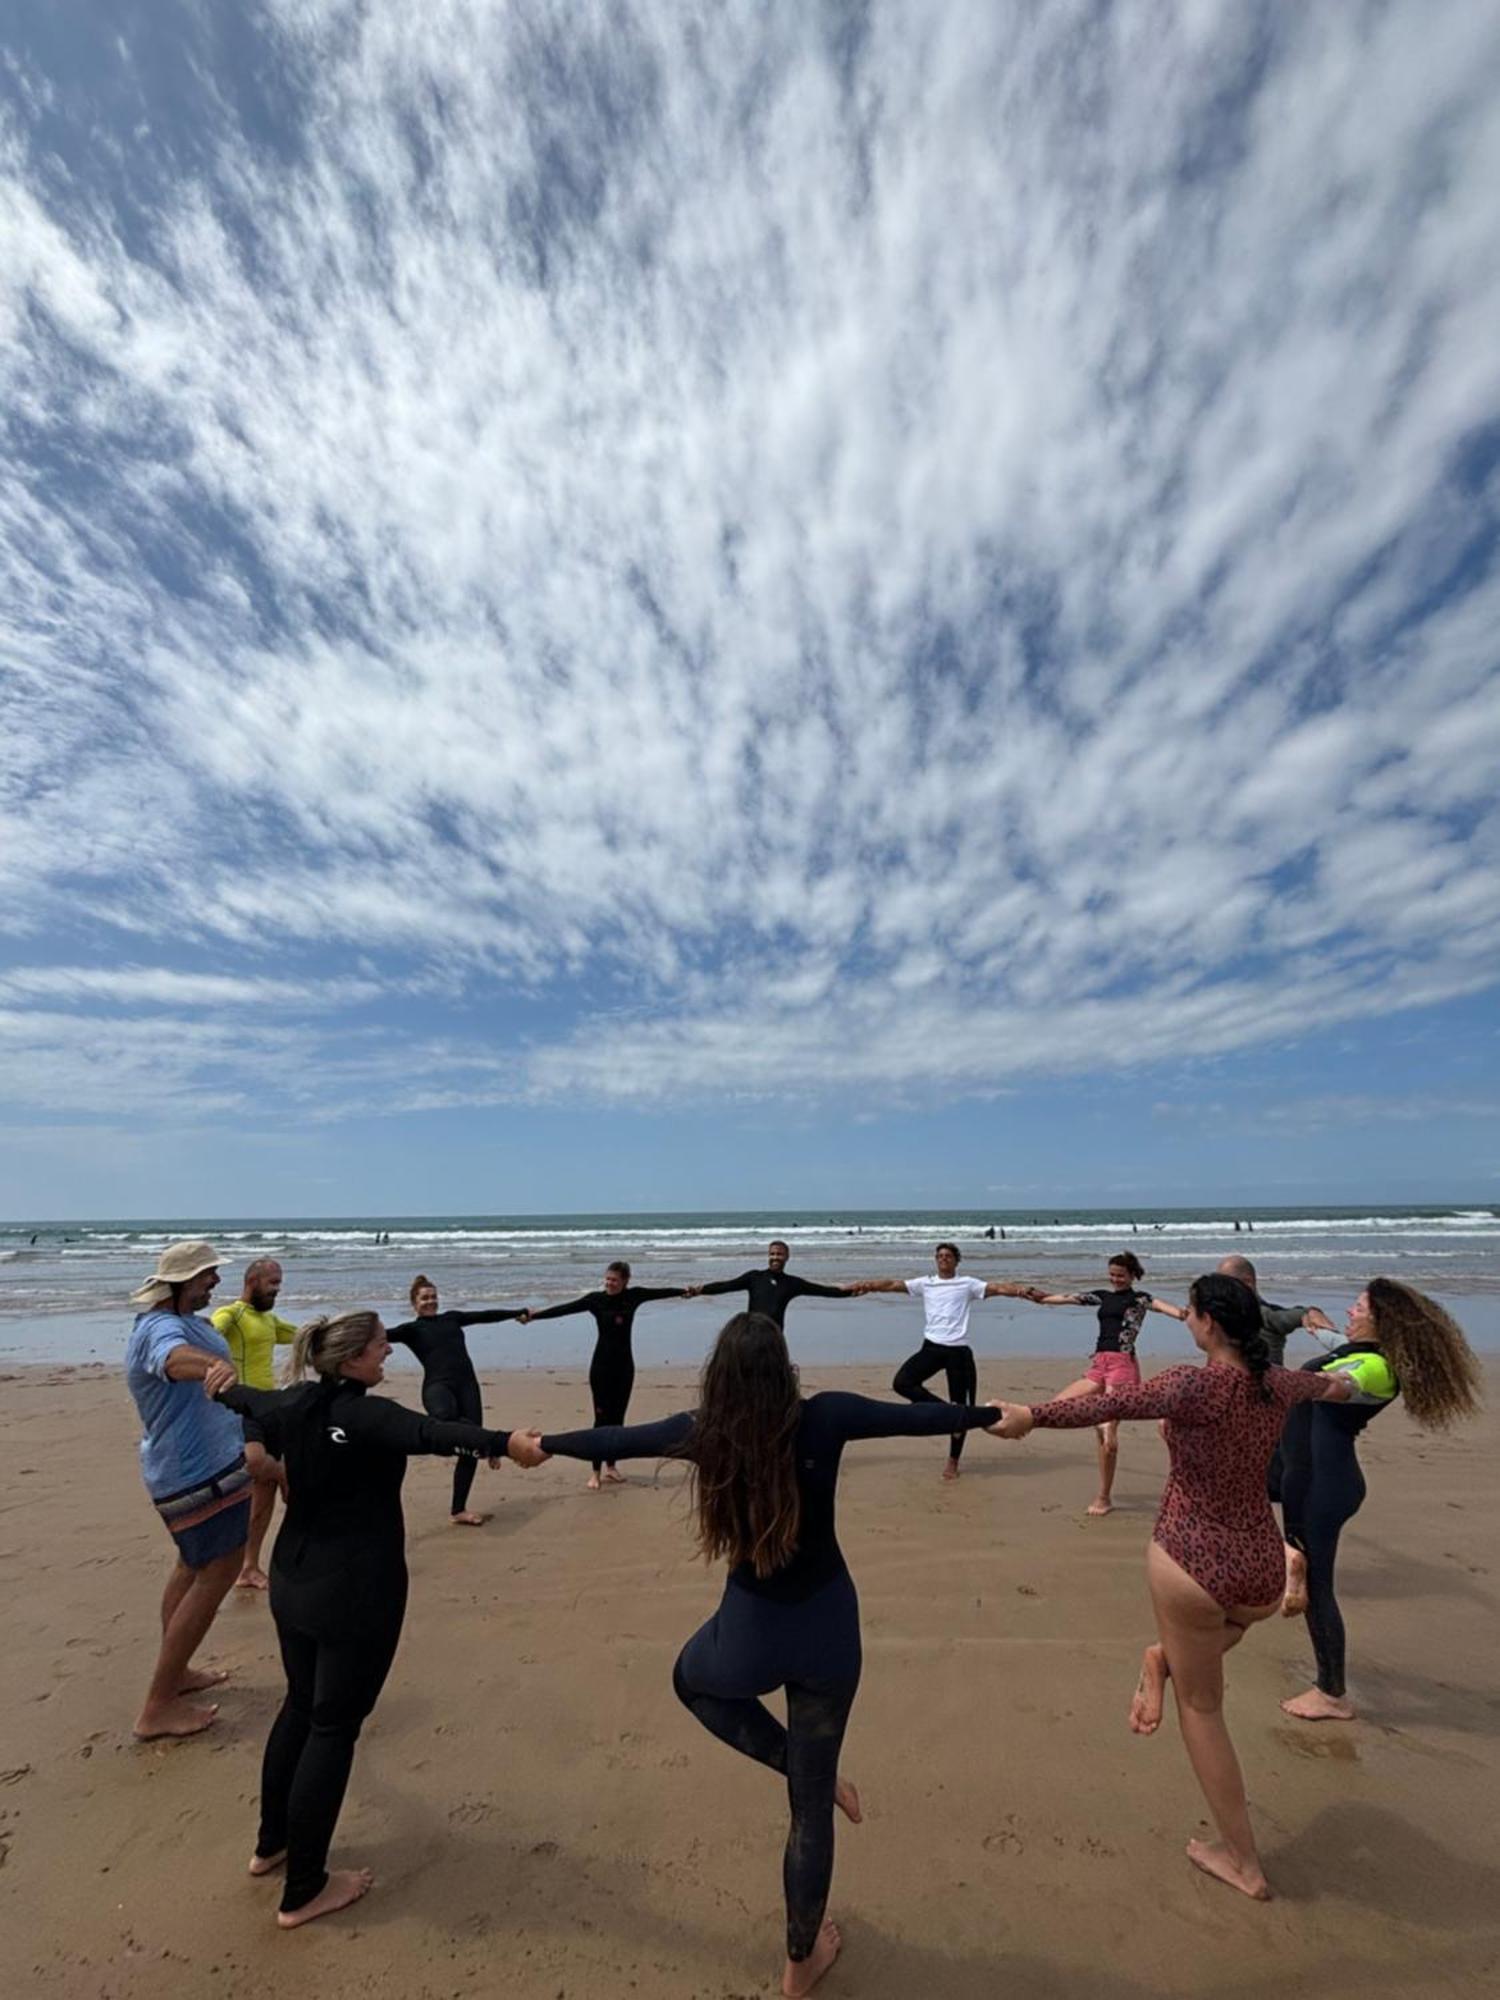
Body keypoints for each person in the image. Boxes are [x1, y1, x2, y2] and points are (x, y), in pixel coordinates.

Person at [513, 1311, 1005, 1996]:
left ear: (720, 1375)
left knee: (692, 1680)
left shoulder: (701, 1432)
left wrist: (541, 1444)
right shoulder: (826, 1417)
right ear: (785, 1367)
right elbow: (913, 1420)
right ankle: (799, 1960)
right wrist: (992, 1415)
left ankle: (804, 1770)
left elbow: (617, 1436)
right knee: (808, 1813)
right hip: (828, 1629)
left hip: (749, 1633)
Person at [993, 1273, 1352, 1901]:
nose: (1184, 1319)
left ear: (1209, 1322)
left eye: (1188, 1312)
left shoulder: (1193, 1384)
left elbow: (1108, 1403)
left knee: (1203, 1708)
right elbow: (1337, 1386)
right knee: (1213, 1641)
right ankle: (1161, 1660)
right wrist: (1363, 1375)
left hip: (1193, 1563)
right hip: (1263, 1571)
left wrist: (1033, 1416)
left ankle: (1242, 1859)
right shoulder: (1278, 1384)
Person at [208, 1309, 533, 1927]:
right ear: (354, 1358)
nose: (389, 1351)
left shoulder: (295, 1402)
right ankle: (304, 1888)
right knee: (332, 1728)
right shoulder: (368, 1415)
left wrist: (223, 1387)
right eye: (382, 1344)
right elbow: (435, 1434)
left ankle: (271, 1844)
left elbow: (248, 1401)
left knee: (300, 1707)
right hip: (356, 1590)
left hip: (293, 1581)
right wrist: (506, 1444)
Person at [1279, 1278, 1481, 1722]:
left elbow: (1340, 1383)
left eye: (1357, 1306)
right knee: (1236, 1493)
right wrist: (1306, 1316)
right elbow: (1329, 1336)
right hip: (1303, 1475)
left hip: (1325, 1486)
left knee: (1319, 1589)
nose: (1349, 1312)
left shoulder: (1375, 1368)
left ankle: (1331, 1693)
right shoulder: (1356, 1347)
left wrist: (1278, 1377)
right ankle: (1287, 1557)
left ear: (1381, 1321)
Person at [125, 1241, 254, 1740]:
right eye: (205, 1276)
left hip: (214, 1462)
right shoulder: (159, 1327)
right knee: (218, 1570)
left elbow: (188, 1349)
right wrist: (212, 1369)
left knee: (192, 1566)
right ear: (177, 1285)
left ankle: (175, 1675)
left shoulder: (191, 1321)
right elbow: (173, 1360)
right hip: (193, 1472)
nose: (214, 1282)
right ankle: (157, 1706)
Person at [852, 1243, 1039, 1480]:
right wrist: (868, 1285)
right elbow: (893, 1285)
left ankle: (953, 1460)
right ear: (935, 1260)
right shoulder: (926, 1283)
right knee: (902, 1383)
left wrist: (1022, 1291)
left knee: (961, 1407)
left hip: (958, 1352)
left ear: (956, 1261)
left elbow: (998, 1288)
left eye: (948, 1256)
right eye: (939, 1256)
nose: (943, 1259)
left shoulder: (968, 1284)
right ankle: (945, 1411)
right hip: (932, 1347)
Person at [1027, 1251, 1187, 1516]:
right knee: (1055, 1407)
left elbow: (1165, 1307)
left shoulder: (1139, 1299)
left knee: (1107, 1437)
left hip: (1122, 1367)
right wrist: (1043, 1299)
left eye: (1121, 1276)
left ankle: (1104, 1496)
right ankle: (1099, 1422)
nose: (1116, 1280)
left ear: (1133, 1275)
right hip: (1098, 1366)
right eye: (1112, 1275)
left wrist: (1184, 1314)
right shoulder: (1103, 1296)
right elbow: (1071, 1298)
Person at [521, 1261, 689, 1488]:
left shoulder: (634, 1296)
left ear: (625, 1281)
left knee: (618, 1419)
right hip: (601, 1368)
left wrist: (685, 1292)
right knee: (601, 1420)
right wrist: (535, 1316)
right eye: (607, 1279)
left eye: (614, 1280)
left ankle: (611, 1468)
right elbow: (566, 1308)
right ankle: (595, 1472)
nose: (609, 1283)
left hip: (625, 1368)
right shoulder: (595, 1300)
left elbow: (661, 1293)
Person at [386, 1275, 526, 1524]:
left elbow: (484, 1316)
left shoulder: (452, 1318)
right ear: (414, 1302)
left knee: (470, 1450)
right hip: (438, 1386)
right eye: (424, 1298)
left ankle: (458, 1510)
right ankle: (490, 1444)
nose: (430, 1301)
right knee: (444, 1420)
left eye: (433, 1297)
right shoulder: (411, 1330)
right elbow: (377, 1335)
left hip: (467, 1386)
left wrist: (518, 1312)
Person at [1215, 1253, 1337, 1507]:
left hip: (1265, 1410)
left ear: (1248, 1283)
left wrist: (1310, 1314)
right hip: (1235, 1411)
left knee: (1268, 1482)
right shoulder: (1226, 1317)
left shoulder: (1265, 1315)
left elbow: (1293, 1316)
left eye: (1227, 1283)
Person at [213, 1257, 299, 1590]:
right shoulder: (232, 1314)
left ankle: (249, 1567)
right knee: (259, 1465)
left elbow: (303, 1334)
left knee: (265, 1497)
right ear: (252, 1282)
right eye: (273, 1283)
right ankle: (286, 1473)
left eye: (279, 1283)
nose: (277, 1289)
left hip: (271, 1409)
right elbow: (209, 1332)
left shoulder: (269, 1320)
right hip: (241, 1409)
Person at [686, 1239, 853, 1329]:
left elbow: (823, 1291)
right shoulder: (754, 1277)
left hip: (774, 1337)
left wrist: (851, 1292)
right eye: (772, 1254)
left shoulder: (792, 1283)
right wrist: (701, 1290)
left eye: (779, 1254)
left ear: (787, 1257)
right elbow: (726, 1286)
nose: (775, 1257)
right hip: (751, 1333)